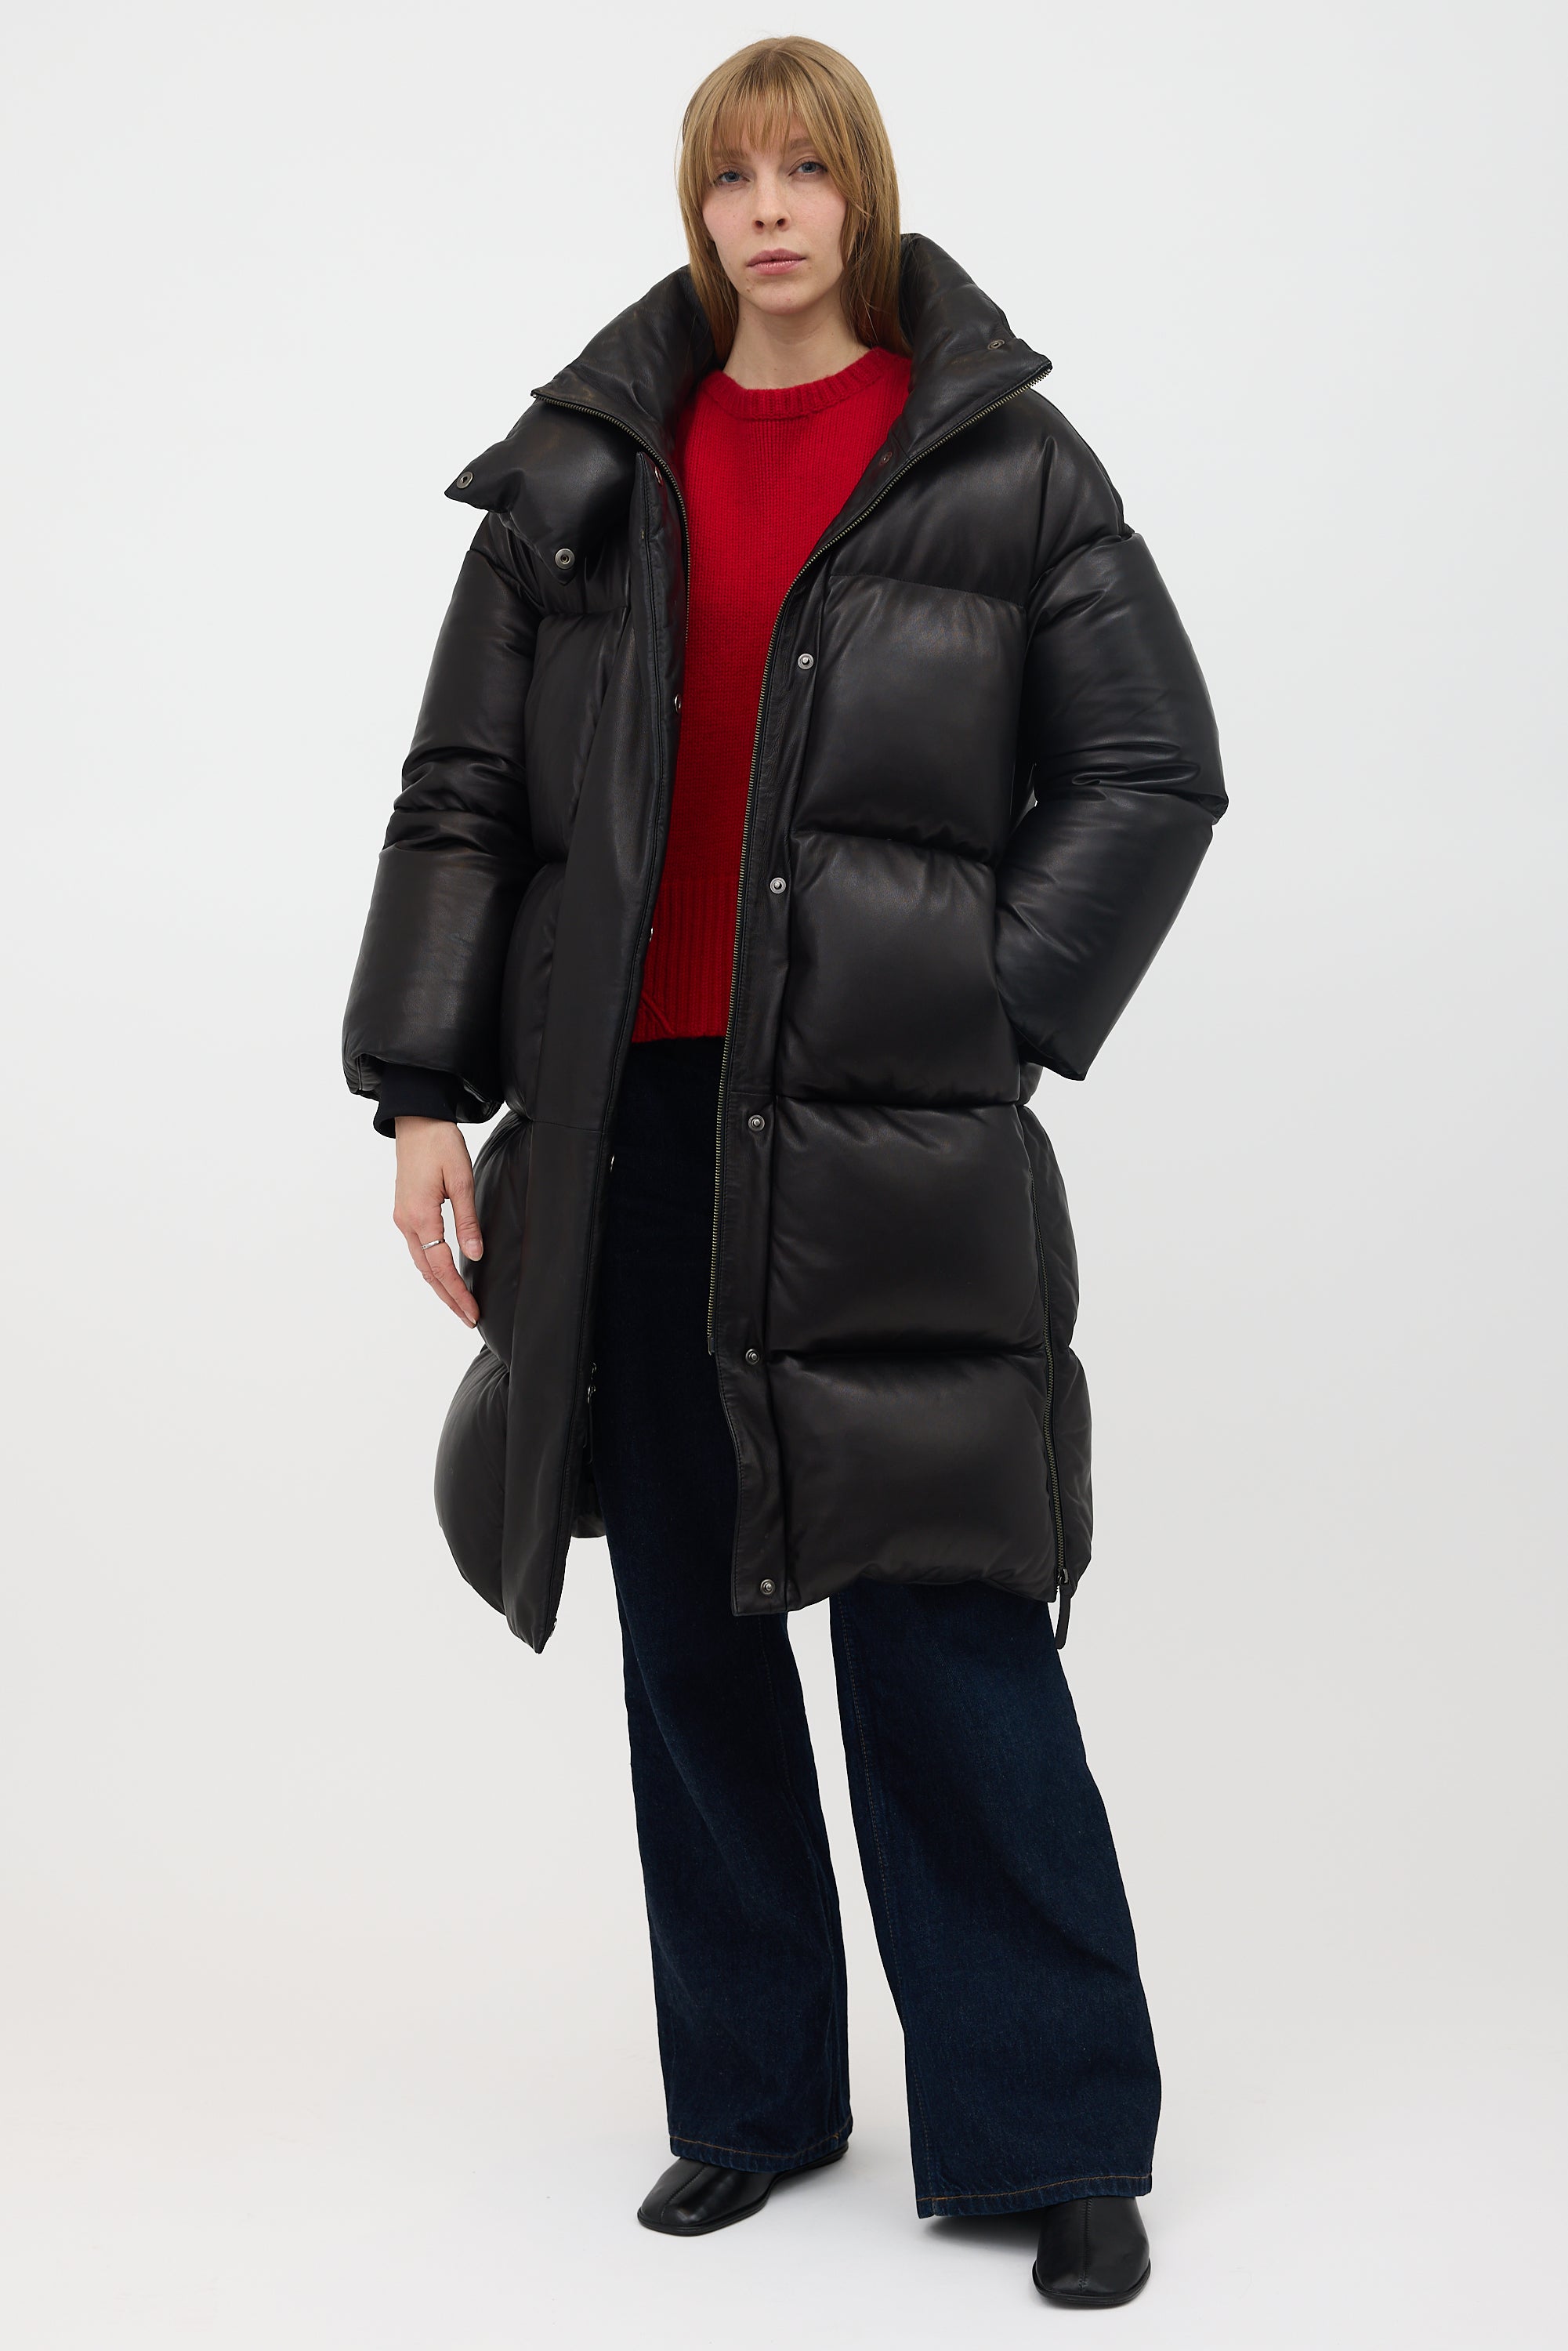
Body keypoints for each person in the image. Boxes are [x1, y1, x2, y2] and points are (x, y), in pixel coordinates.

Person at [342, 34, 1225, 2310]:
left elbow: (1150, 765)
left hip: (888, 1136)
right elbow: (463, 793)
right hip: (628, 1122)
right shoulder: (582, 476)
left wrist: (980, 1008)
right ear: (694, 205)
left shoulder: (998, 460)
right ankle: (749, 2102)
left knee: (943, 1618)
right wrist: (421, 1092)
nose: (767, 211)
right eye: (731, 174)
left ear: (863, 193)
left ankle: (1052, 2132)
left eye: (805, 169)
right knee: (690, 1622)